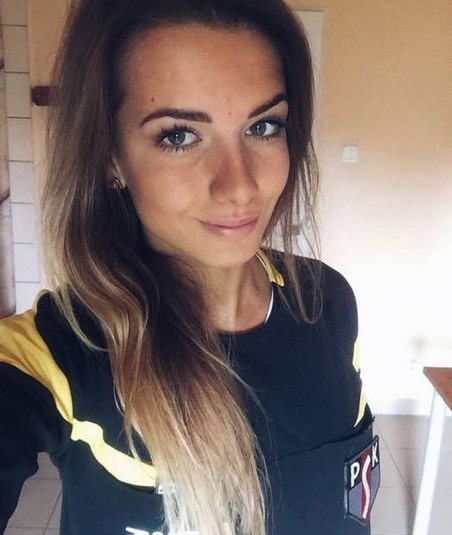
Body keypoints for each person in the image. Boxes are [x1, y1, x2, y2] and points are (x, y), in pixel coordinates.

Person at [0, 1, 380, 534]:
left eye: (263, 126)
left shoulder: (326, 299)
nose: (240, 186)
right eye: (178, 135)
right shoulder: (61, 352)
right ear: (110, 156)